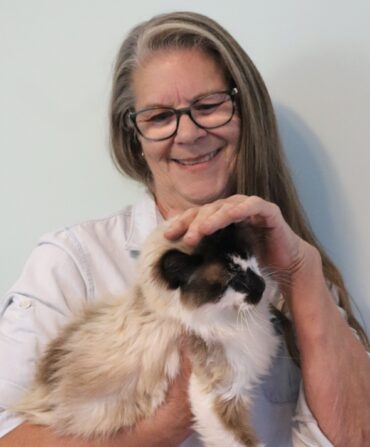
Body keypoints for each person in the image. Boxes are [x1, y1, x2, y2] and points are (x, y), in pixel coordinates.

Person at [0, 11, 369, 447]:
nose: (189, 133)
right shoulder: (72, 261)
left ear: (243, 110)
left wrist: (303, 271)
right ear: (134, 136)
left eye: (208, 106)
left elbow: (355, 435)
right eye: (159, 117)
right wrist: (164, 424)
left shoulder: (296, 267)